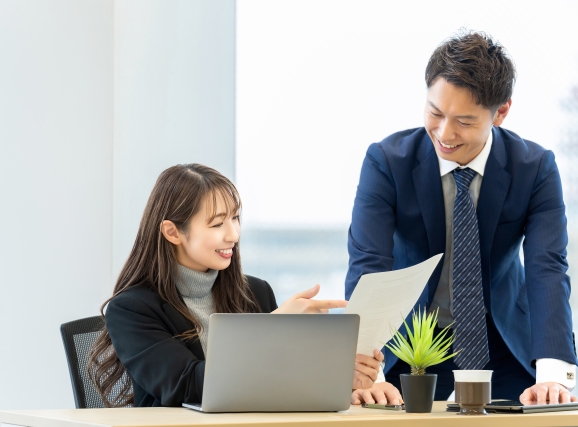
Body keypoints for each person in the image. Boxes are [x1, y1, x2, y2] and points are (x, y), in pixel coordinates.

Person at [346, 31, 578, 405]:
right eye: (435, 113)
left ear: (500, 112)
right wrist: (361, 366)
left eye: (465, 121)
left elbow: (547, 268)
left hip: (500, 333)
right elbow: (370, 265)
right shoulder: (386, 162)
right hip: (409, 335)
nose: (444, 133)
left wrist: (553, 375)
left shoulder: (534, 169)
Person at [88, 164, 401, 407]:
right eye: (217, 223)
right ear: (173, 232)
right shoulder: (131, 310)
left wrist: (346, 381)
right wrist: (274, 327)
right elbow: (187, 387)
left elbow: (279, 381)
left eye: (235, 218)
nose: (233, 234)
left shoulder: (255, 292)